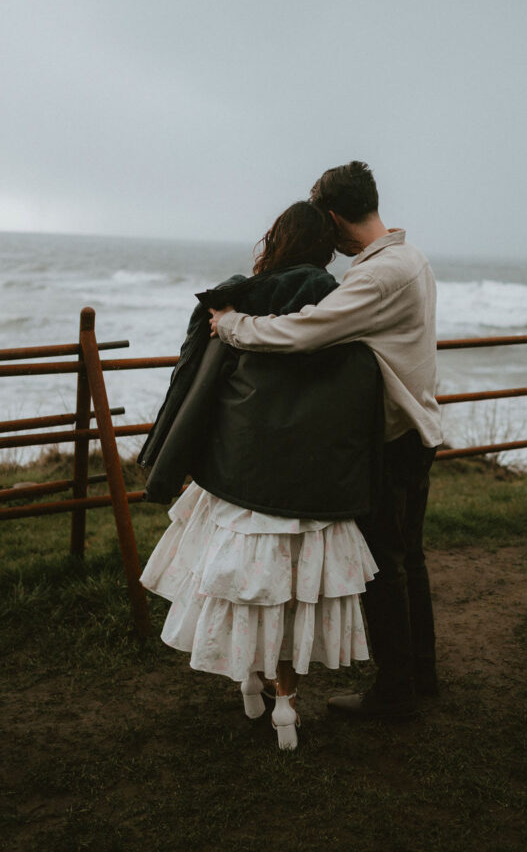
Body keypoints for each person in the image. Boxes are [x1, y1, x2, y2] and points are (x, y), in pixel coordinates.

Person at [139, 201, 381, 750]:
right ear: (325, 247)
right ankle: (287, 708)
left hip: (241, 473)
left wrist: (173, 457)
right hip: (314, 483)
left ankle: (250, 685)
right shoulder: (340, 303)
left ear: (278, 240)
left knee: (244, 586)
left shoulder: (239, 300)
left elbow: (196, 386)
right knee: (294, 596)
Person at [210, 162, 443, 719]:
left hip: (392, 436)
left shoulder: (379, 275)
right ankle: (419, 678)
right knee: (408, 558)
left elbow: (304, 331)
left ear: (335, 217)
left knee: (385, 565)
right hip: (417, 430)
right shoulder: (410, 260)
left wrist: (232, 324)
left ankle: (393, 695)